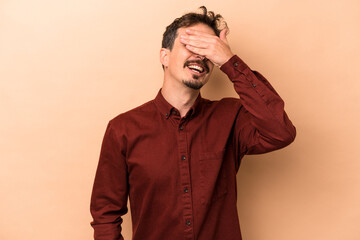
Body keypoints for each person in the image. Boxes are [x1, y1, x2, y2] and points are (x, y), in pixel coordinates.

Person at [90, 6, 296, 240]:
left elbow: (281, 132)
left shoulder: (231, 117)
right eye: (192, 45)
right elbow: (105, 214)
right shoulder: (123, 129)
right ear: (164, 56)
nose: (200, 55)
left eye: (208, 49)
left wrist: (229, 61)